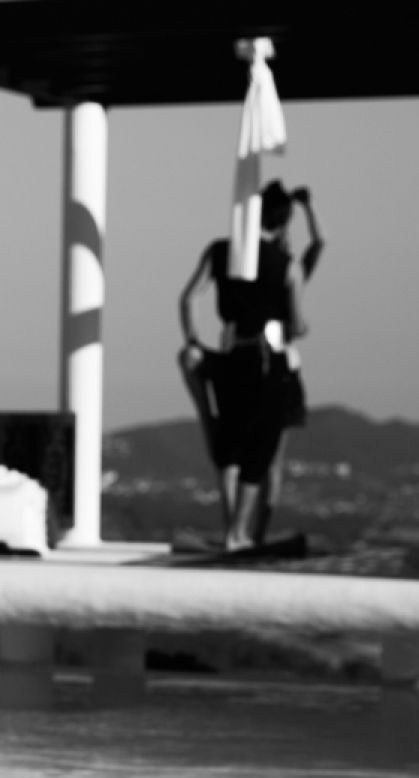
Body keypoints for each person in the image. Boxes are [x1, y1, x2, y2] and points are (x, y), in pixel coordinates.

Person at [176, 180, 324, 551]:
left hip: (230, 354)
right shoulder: (286, 266)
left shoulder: (219, 251)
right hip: (270, 361)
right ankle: (243, 533)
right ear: (283, 222)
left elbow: (188, 299)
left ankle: (232, 528)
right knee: (263, 451)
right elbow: (297, 325)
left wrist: (193, 340)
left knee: (229, 445)